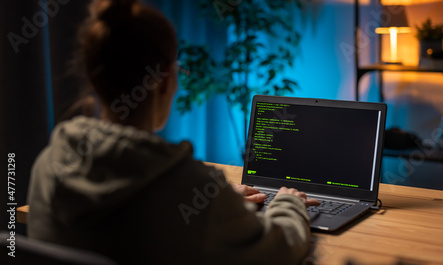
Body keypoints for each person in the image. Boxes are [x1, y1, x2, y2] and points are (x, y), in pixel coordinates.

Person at [27, 0, 319, 264]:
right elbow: (280, 250)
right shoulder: (186, 187)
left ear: (93, 76)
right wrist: (288, 203)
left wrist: (223, 202)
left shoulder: (48, 165)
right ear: (165, 81)